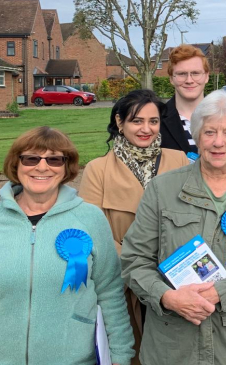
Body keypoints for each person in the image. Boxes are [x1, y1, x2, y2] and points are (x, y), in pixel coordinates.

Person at [121, 91, 226, 365]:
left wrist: (220, 292)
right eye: (209, 132)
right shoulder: (163, 189)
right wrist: (166, 297)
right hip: (173, 346)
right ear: (197, 136)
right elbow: (134, 260)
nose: (218, 143)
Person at [0, 127, 134, 365]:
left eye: (54, 159)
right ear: (16, 164)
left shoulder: (90, 218)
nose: (42, 166)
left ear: (66, 167)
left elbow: (110, 292)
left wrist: (121, 354)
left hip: (73, 359)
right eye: (31, 158)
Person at [80, 89, 188, 364]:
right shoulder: (97, 170)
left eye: (153, 121)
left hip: (175, 280)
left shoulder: (180, 160)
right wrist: (140, 269)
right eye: (136, 121)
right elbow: (95, 231)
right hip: (124, 283)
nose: (146, 129)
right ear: (120, 122)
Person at [160, 44, 211, 158]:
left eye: (195, 73)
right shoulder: (156, 120)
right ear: (171, 78)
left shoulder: (225, 115)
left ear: (207, 76)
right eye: (181, 74)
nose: (189, 80)